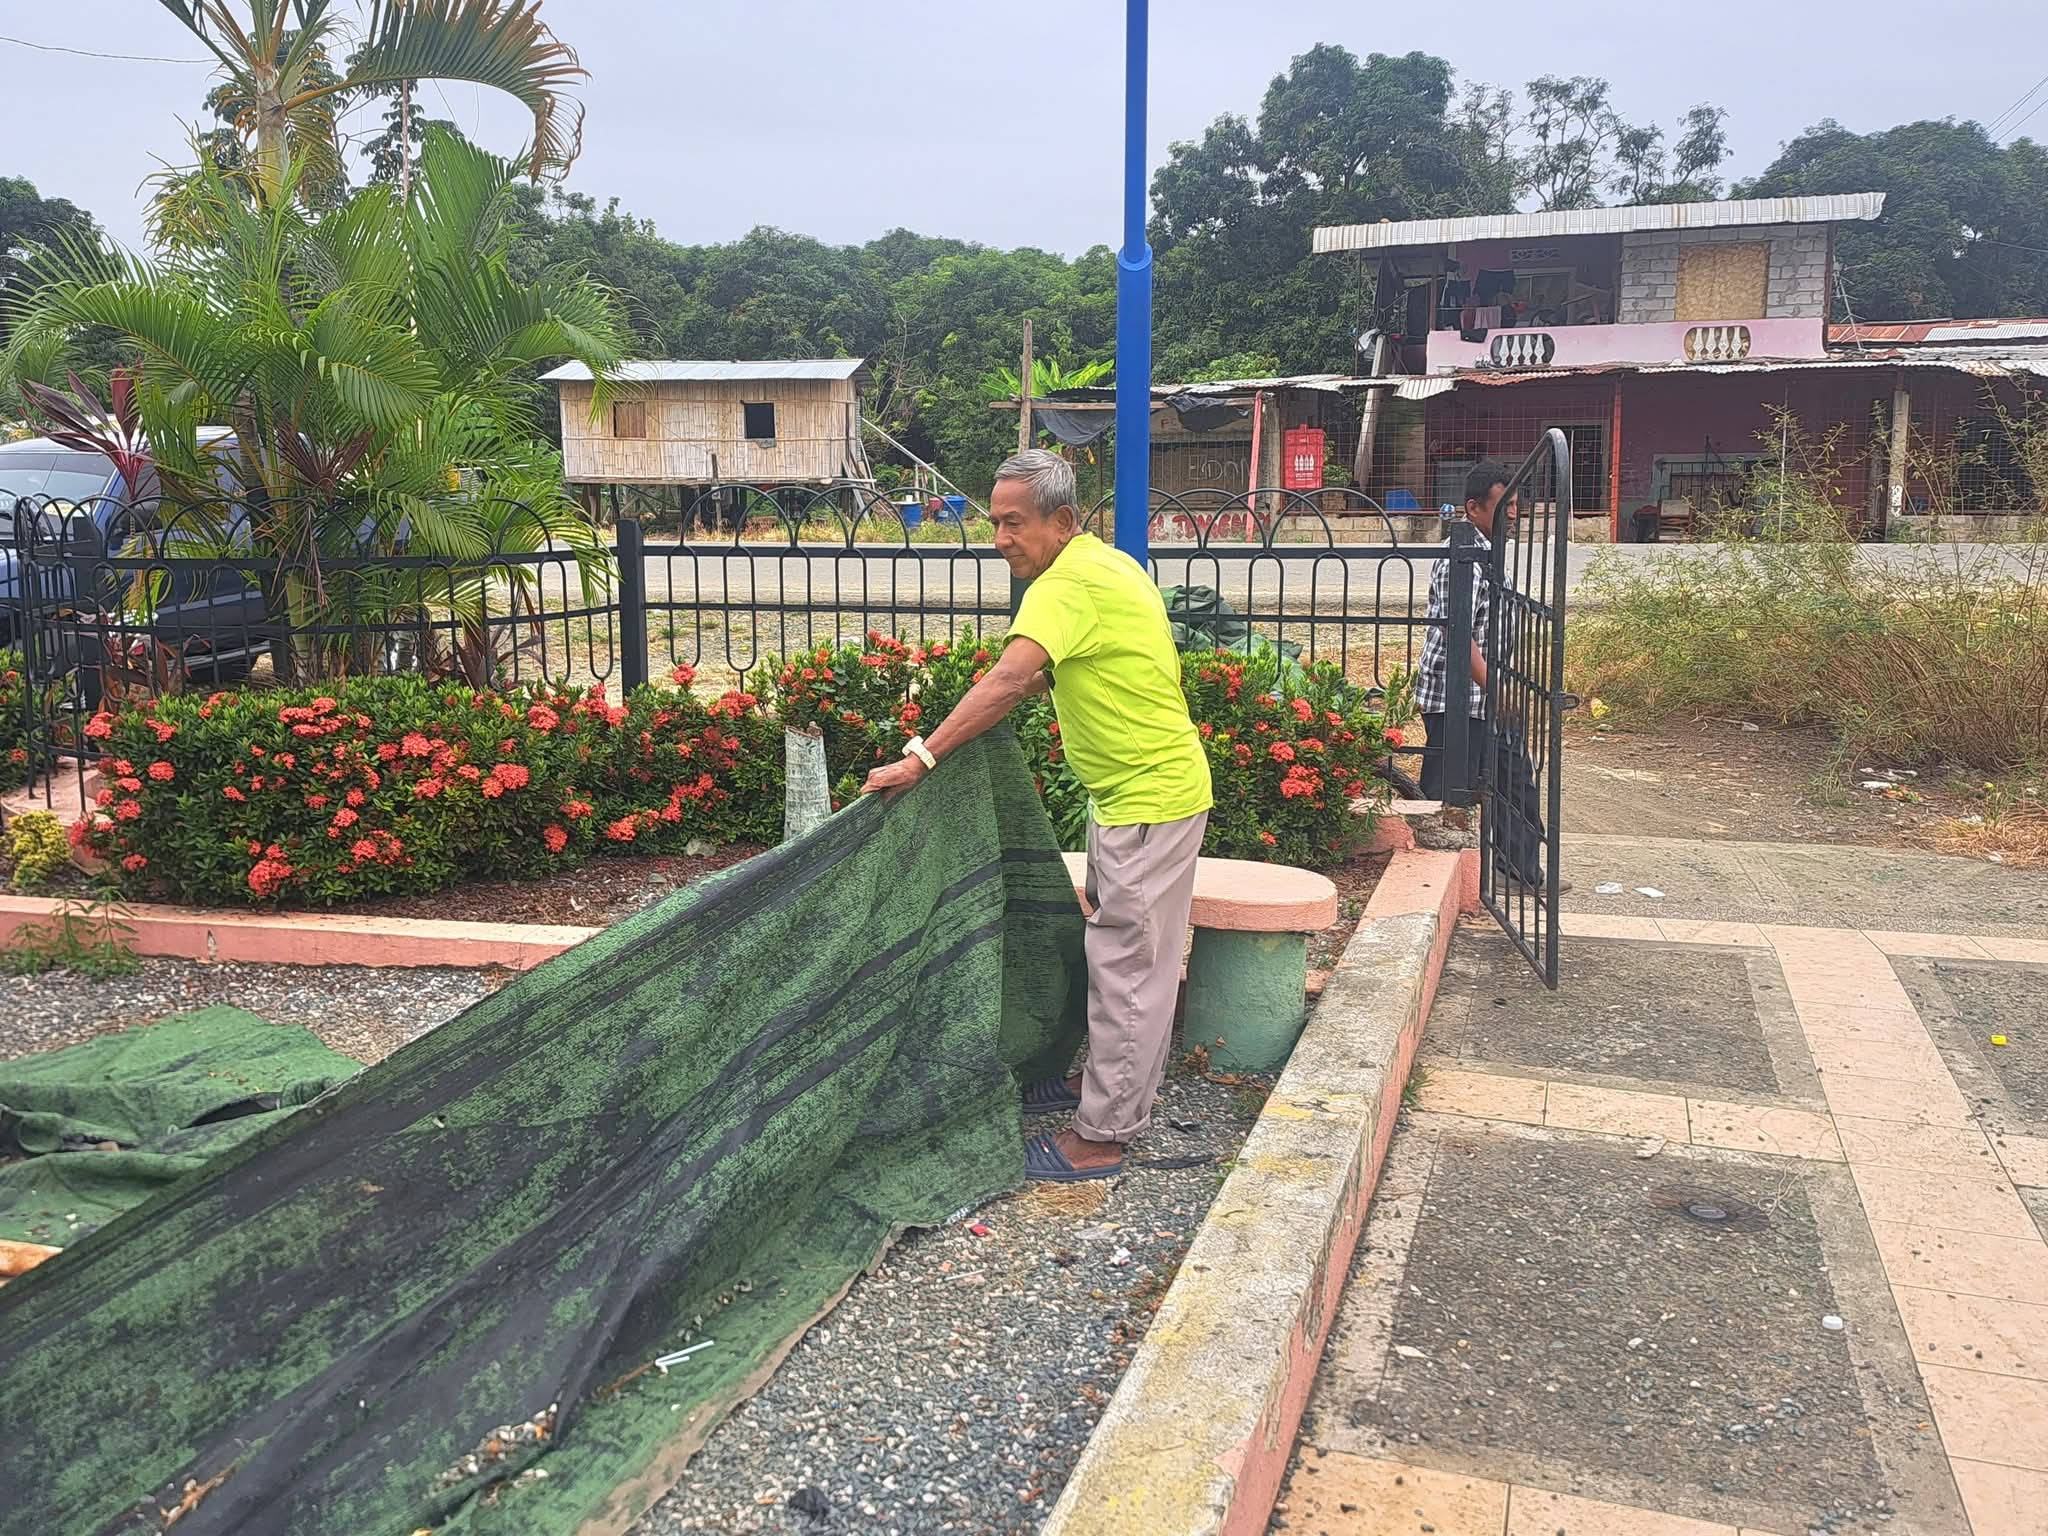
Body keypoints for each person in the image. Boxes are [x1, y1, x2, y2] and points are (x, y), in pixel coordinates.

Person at [860, 449, 1212, 1183]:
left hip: (1147, 801)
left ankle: (1102, 1138)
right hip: (1139, 794)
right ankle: (1102, 1087)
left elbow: (1008, 679)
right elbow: (1089, 662)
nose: (1000, 538)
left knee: (1128, 970)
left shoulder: (1065, 585)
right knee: (1127, 957)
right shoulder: (1109, 566)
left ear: (1062, 520)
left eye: (1014, 523)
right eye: (995, 522)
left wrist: (921, 758)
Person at [1414, 459, 1554, 890]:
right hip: (1455, 696)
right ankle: (1433, 874)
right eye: (1503, 505)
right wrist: (1496, 689)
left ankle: (1519, 870)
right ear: (1473, 508)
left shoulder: (1491, 553)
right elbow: (1459, 636)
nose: (1514, 514)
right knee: (1448, 789)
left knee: (1515, 780)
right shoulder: (1461, 558)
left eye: (1516, 504)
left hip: (1488, 692)